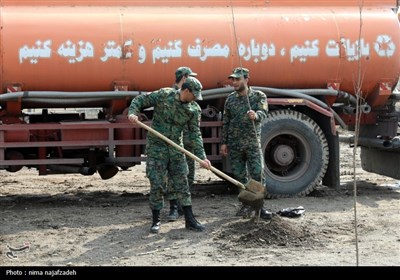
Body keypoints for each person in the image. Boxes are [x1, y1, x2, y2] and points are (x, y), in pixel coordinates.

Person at [128, 76, 211, 234]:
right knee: (157, 184)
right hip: (156, 148)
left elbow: (195, 135)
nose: (196, 99)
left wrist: (202, 157)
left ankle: (189, 219)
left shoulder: (193, 109)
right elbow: (140, 100)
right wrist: (133, 113)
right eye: (194, 95)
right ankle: (156, 220)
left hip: (176, 149)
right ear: (186, 91)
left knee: (183, 184)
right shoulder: (164, 95)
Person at [219, 67, 272, 220]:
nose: (234, 82)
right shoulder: (230, 99)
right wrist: (224, 143)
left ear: (246, 80)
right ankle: (246, 205)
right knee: (239, 177)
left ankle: (260, 207)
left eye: (237, 79)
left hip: (252, 144)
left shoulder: (257, 96)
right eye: (233, 80)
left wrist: (256, 115)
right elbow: (226, 122)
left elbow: (264, 112)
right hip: (235, 145)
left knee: (257, 173)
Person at [166, 67, 198, 221]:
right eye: (190, 77)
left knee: (188, 174)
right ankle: (173, 207)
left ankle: (183, 204)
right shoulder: (169, 96)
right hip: (173, 143)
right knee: (172, 176)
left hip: (188, 141)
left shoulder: (192, 97)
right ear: (184, 78)